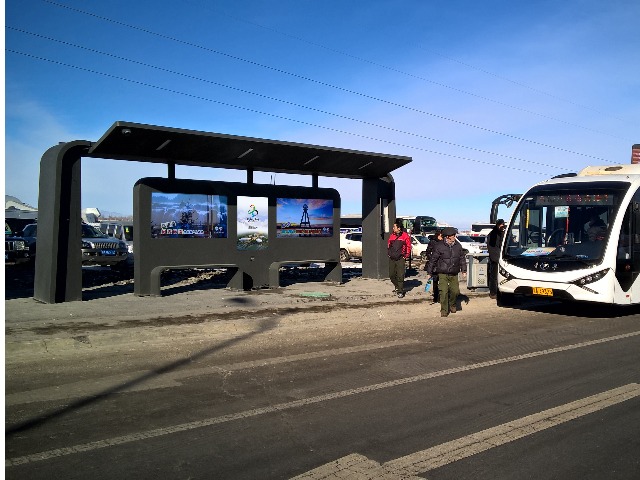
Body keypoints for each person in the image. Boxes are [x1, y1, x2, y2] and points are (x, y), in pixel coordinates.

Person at [427, 226, 467, 316]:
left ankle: (452, 304)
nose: (454, 237)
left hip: (454, 272)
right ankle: (444, 310)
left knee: (455, 291)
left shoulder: (458, 246)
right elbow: (433, 260)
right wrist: (429, 272)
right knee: (443, 292)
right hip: (442, 273)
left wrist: (464, 270)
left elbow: (462, 258)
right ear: (447, 236)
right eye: (453, 235)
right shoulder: (439, 246)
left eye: (454, 235)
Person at [388, 219, 412, 298]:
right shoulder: (392, 236)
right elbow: (389, 245)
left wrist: (406, 256)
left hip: (400, 258)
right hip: (392, 258)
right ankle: (397, 286)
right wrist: (389, 253)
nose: (393, 228)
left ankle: (400, 291)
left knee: (400, 275)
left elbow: (408, 246)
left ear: (399, 228)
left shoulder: (405, 236)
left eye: (394, 227)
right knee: (391, 275)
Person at [487, 219, 506, 299]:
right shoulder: (493, 234)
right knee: (494, 276)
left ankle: (497, 292)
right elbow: (493, 248)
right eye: (501, 225)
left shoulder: (500, 233)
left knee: (497, 276)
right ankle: (493, 292)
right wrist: (497, 258)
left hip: (499, 258)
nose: (503, 227)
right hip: (496, 259)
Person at [424, 229, 443, 303]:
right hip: (434, 264)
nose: (442, 237)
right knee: (435, 281)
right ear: (438, 235)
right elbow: (428, 251)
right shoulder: (433, 242)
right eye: (441, 235)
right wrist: (431, 258)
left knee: (442, 280)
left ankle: (441, 296)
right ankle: (435, 297)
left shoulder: (444, 242)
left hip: (442, 264)